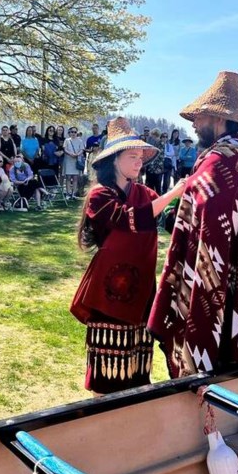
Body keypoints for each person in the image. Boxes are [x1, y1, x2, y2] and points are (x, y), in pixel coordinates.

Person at [149, 70, 238, 378]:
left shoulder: (218, 161)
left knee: (208, 337)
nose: (193, 123)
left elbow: (205, 222)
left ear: (218, 119)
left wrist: (174, 220)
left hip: (215, 271)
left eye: (199, 117)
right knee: (230, 336)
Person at [71, 117, 187, 394]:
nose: (139, 162)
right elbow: (130, 219)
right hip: (110, 285)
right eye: (132, 156)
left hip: (142, 281)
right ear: (113, 160)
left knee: (138, 350)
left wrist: (190, 212)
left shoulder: (145, 192)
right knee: (108, 359)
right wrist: (173, 193)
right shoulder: (99, 196)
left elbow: (168, 218)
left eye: (140, 157)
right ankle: (103, 407)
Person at [62, 125, 86, 198]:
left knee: (75, 177)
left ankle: (74, 193)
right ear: (70, 132)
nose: (73, 133)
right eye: (72, 132)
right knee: (68, 177)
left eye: (75, 132)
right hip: (68, 160)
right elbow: (65, 149)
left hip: (76, 160)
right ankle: (68, 193)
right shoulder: (67, 140)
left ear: (77, 133)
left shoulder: (80, 141)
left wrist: (77, 154)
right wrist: (70, 154)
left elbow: (82, 149)